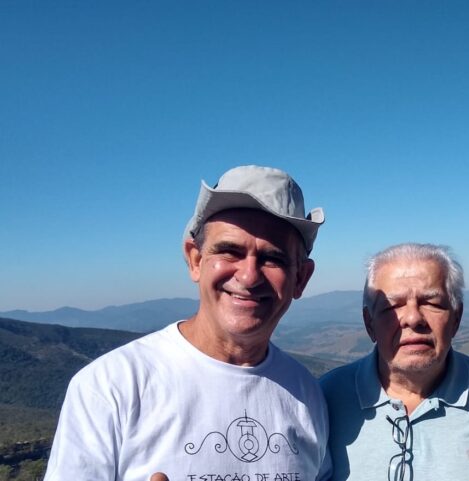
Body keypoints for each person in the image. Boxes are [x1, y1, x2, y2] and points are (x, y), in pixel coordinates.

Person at [45, 165, 332, 481]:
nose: (249, 277)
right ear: (195, 260)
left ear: (301, 278)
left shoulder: (308, 394)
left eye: (273, 258)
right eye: (230, 252)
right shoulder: (110, 388)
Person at [321, 243, 469, 481]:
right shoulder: (326, 398)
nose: (413, 318)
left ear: (456, 318)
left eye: (432, 303)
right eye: (393, 306)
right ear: (369, 323)